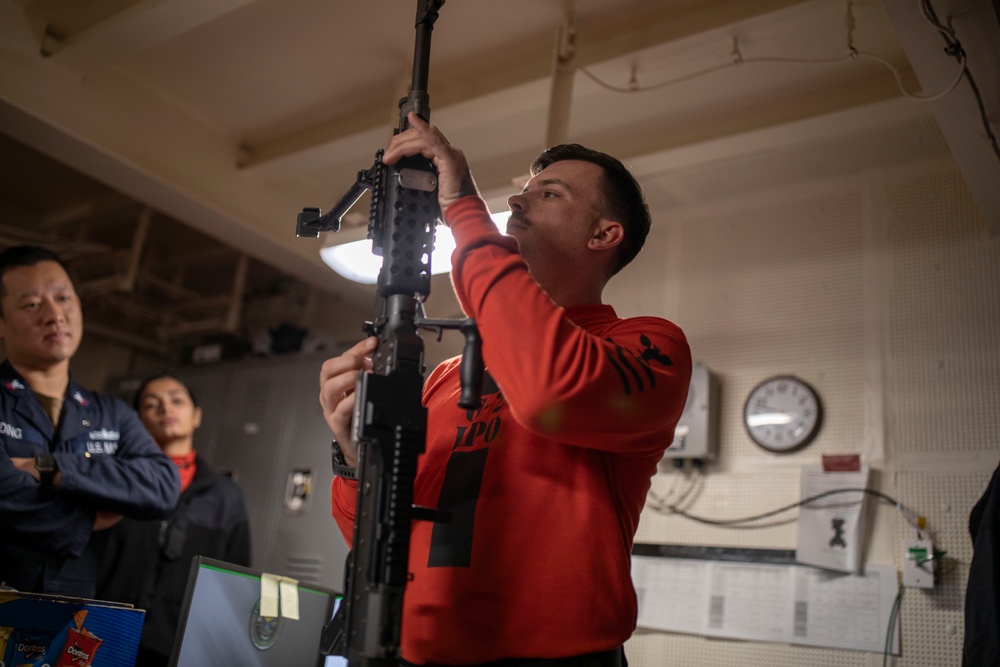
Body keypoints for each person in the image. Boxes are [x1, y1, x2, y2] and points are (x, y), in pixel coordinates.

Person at [320, 113, 692, 666]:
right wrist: (357, 457)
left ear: (604, 234)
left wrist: (465, 208)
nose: (517, 203)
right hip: (410, 653)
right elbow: (378, 539)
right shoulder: (448, 377)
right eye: (521, 192)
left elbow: (548, 391)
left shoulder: (646, 345)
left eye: (549, 193)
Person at [0, 245, 180, 598]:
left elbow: (161, 486)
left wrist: (49, 467)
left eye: (63, 297)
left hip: (74, 614)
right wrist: (91, 516)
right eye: (32, 304)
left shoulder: (111, 412)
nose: (55, 315)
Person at [97, 372, 251, 667]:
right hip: (106, 636)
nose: (166, 409)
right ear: (137, 419)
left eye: (177, 400)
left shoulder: (225, 495)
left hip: (180, 647)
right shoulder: (117, 479)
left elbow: (235, 581)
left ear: (196, 416)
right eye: (152, 404)